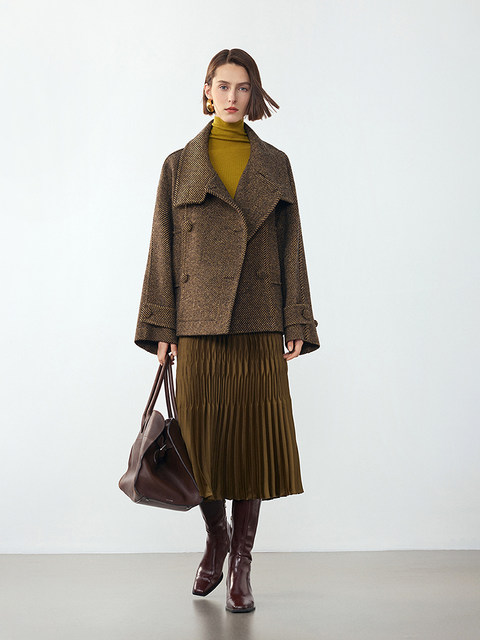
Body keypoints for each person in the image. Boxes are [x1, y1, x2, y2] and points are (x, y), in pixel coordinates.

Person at [134, 48, 320, 613]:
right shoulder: (178, 165)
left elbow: (292, 245)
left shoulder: (276, 164)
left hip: (260, 320)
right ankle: (216, 537)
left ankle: (241, 560)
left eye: (243, 87)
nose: (233, 97)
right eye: (223, 86)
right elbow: (162, 249)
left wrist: (297, 317)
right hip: (199, 324)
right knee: (204, 442)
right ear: (207, 90)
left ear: (254, 94)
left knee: (251, 442)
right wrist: (161, 325)